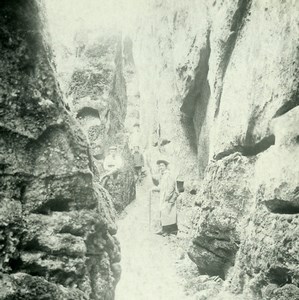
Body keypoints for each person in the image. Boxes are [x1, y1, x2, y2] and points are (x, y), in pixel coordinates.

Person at [151, 159, 179, 236]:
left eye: (162, 165)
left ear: (166, 166)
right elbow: (161, 186)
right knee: (163, 213)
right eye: (159, 166)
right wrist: (155, 188)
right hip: (163, 196)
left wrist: (167, 198)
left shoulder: (169, 175)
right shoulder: (162, 175)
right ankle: (163, 229)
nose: (161, 167)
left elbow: (171, 187)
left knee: (168, 213)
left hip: (169, 197)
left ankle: (168, 230)